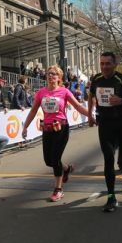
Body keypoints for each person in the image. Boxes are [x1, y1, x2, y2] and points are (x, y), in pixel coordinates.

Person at [23, 66, 90, 202]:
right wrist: (25, 127)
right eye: (48, 74)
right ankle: (67, 168)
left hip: (61, 128)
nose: (50, 76)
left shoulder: (64, 91)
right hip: (47, 129)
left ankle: (58, 189)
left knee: (55, 159)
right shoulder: (41, 93)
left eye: (53, 74)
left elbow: (77, 106)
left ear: (59, 77)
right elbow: (33, 111)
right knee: (48, 161)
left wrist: (91, 115)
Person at [88, 52, 122, 213]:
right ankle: (111, 197)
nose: (104, 67)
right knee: (108, 158)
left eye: (108, 63)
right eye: (102, 63)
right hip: (104, 123)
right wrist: (89, 114)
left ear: (115, 65)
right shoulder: (96, 79)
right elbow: (91, 95)